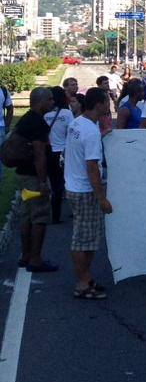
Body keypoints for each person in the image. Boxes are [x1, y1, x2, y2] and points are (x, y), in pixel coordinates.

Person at [64, 88, 113, 299]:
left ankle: (86, 278)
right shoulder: (90, 131)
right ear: (99, 104)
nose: (110, 105)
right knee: (84, 239)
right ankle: (83, 283)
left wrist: (101, 135)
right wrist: (101, 198)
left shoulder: (78, 123)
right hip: (85, 191)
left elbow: (81, 149)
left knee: (85, 237)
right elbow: (92, 167)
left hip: (73, 186)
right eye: (107, 101)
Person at [11, 87, 57, 272]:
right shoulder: (38, 123)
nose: (52, 102)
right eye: (50, 99)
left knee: (27, 215)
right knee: (39, 216)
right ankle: (36, 259)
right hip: (32, 177)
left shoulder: (27, 119)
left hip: (23, 174)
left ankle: (25, 255)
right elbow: (40, 154)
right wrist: (43, 182)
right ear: (41, 101)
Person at [44, 85, 75, 224]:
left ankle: (55, 216)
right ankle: (75, 211)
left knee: (54, 184)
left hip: (50, 152)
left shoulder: (45, 115)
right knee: (69, 182)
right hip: (65, 152)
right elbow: (72, 132)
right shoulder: (67, 114)